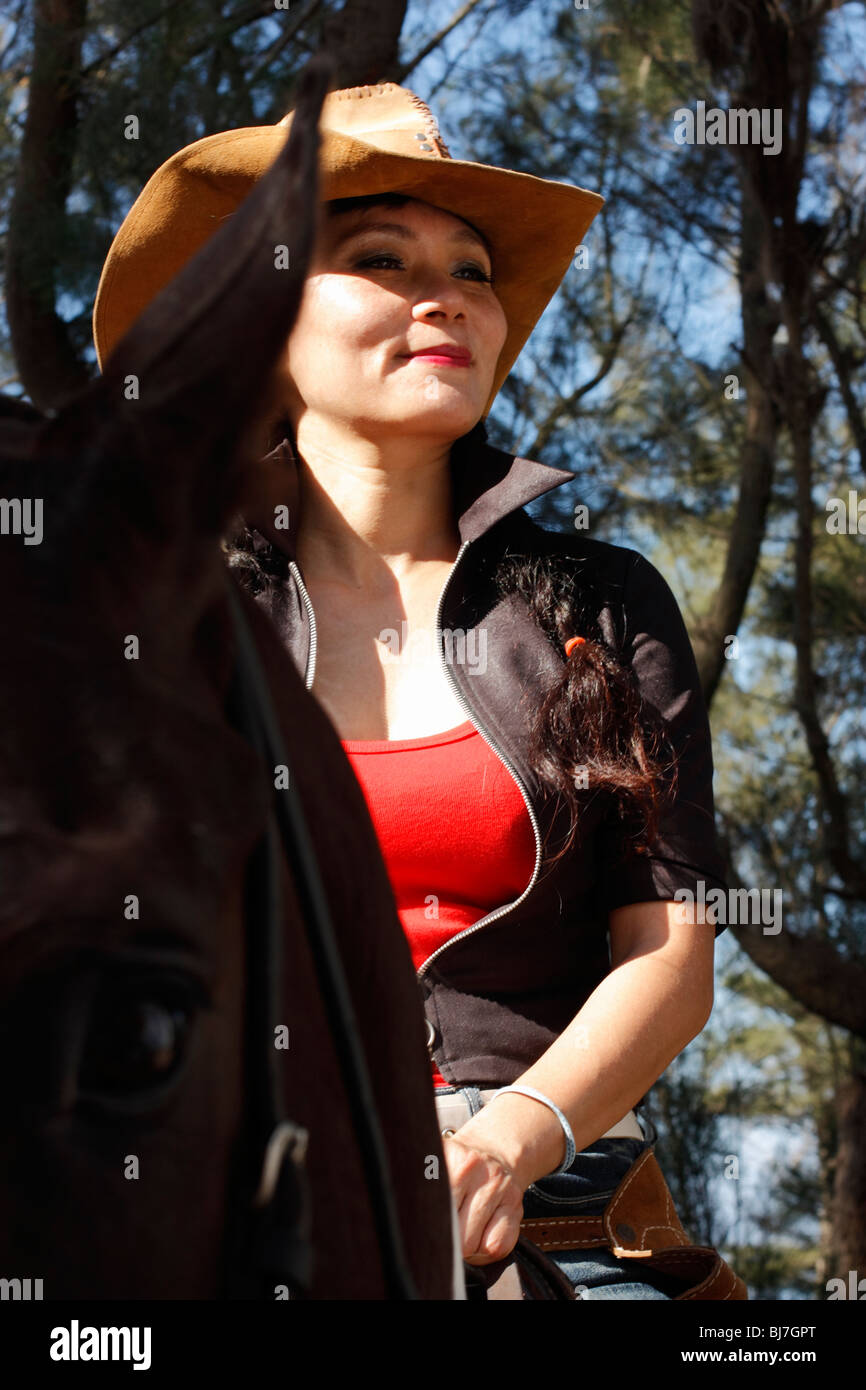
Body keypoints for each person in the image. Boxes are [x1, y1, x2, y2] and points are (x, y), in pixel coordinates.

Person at [92, 81, 742, 1300]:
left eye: (472, 267)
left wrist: (512, 1135)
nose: (444, 294)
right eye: (380, 256)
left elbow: (670, 951)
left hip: (554, 1206)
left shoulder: (600, 606)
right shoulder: (158, 622)